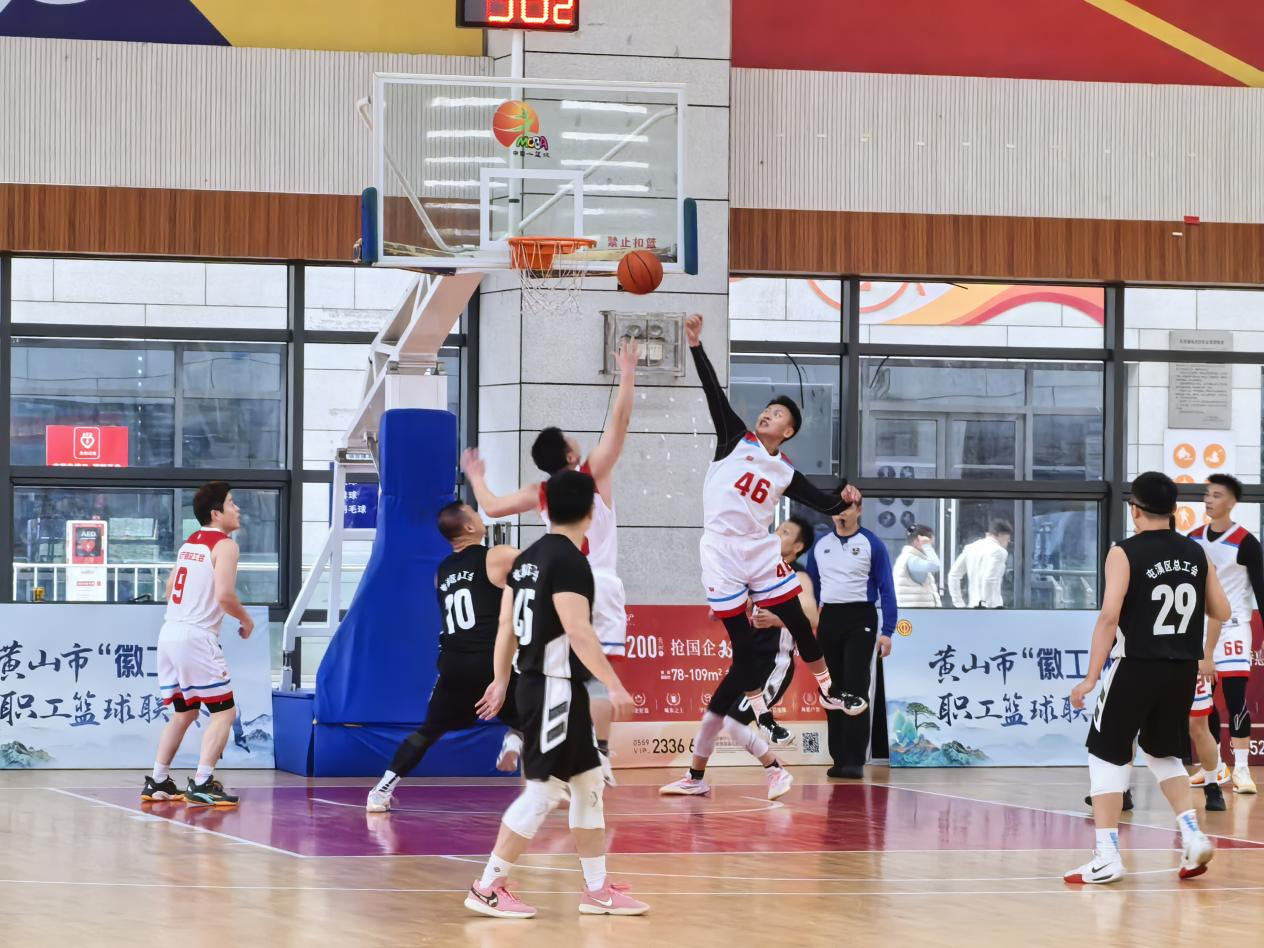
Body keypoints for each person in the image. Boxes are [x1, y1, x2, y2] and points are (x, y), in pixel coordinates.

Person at [465, 470, 648, 919]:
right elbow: (578, 630)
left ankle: (597, 889)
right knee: (544, 791)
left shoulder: (526, 559)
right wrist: (615, 685)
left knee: (588, 783)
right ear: (591, 512)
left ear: (544, 507)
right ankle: (488, 886)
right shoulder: (569, 561)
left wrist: (501, 680)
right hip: (553, 690)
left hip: (549, 686)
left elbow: (506, 626)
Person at [461, 338, 639, 786]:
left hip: (553, 581)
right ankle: (600, 754)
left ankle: (521, 734)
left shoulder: (538, 493)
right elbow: (619, 424)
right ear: (572, 456)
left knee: (548, 666)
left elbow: (492, 507)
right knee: (598, 675)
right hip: (598, 583)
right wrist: (627, 372)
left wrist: (476, 478)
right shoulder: (592, 475)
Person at [686, 313, 866, 746]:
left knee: (799, 623)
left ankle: (829, 690)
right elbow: (713, 392)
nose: (767, 414)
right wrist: (695, 344)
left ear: (789, 431)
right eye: (766, 410)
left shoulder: (784, 470)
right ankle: (762, 715)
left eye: (777, 413)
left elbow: (826, 503)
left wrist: (848, 497)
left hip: (758, 549)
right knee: (742, 642)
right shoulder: (734, 439)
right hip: (721, 551)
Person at [1065, 471, 1230, 885]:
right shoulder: (1196, 552)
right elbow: (1222, 611)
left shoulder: (1124, 553)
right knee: (1162, 753)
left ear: (1134, 510)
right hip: (1182, 668)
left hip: (1136, 664)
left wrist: (1090, 678)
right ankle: (1191, 835)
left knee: (1106, 753)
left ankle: (1107, 855)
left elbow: (1109, 618)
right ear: (1174, 509)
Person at [366, 503, 522, 812]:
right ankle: (520, 744)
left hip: (453, 664)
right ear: (469, 527)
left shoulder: (443, 572)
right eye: (475, 513)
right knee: (538, 711)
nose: (480, 516)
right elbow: (539, 566)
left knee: (428, 731)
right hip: (490, 660)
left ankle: (382, 789)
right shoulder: (497, 556)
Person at [659, 515, 818, 800]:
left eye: (785, 532)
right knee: (711, 718)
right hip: (747, 661)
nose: (776, 534)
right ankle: (695, 779)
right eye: (778, 529)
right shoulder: (760, 572)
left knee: (733, 723)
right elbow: (742, 603)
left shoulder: (798, 576)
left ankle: (776, 770)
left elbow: (812, 618)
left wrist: (776, 620)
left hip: (774, 664)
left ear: (798, 547)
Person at [141, 482, 254, 807]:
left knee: (185, 712)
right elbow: (225, 596)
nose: (237, 509)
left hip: (170, 631)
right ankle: (203, 782)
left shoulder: (190, 543)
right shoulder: (225, 545)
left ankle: (158, 781)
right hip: (195, 635)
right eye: (231, 503)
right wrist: (246, 620)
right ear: (216, 513)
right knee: (225, 712)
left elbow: (168, 588)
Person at [805, 499, 898, 779]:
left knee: (856, 688)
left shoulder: (872, 543)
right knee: (832, 690)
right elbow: (811, 588)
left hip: (861, 618)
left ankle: (855, 760)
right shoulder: (820, 545)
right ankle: (839, 757)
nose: (840, 513)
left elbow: (886, 587)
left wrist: (888, 631)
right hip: (830, 618)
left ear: (859, 511)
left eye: (846, 508)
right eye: (835, 509)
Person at [1187, 473, 1261, 798]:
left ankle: (1241, 767)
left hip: (1233, 627)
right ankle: (1215, 765)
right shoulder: (1192, 539)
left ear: (1232, 502)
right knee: (1206, 701)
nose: (1208, 499)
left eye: (1216, 495)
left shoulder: (1246, 541)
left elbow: (1261, 590)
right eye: (1207, 494)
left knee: (1234, 697)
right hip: (1200, 631)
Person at [947, 520, 1012, 608]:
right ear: (1000, 535)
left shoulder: (970, 548)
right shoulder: (1000, 552)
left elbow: (953, 575)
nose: (1008, 542)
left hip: (972, 606)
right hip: (992, 608)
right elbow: (989, 580)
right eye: (1008, 538)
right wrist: (986, 605)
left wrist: (958, 603)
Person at [893, 524, 942, 607]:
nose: (931, 545)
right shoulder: (912, 560)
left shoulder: (907, 558)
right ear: (916, 541)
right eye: (928, 541)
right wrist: (926, 546)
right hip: (917, 612)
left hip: (916, 611)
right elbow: (935, 566)